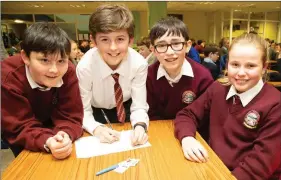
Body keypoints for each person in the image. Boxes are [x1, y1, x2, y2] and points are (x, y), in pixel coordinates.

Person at [174, 33, 281, 180]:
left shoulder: (276, 104)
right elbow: (187, 114)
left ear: (264, 68)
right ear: (227, 64)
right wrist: (187, 138)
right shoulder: (218, 89)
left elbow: (260, 165)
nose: (241, 73)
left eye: (250, 66)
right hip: (213, 167)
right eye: (235, 64)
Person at [1, 23, 84, 159]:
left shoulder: (68, 71)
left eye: (61, 61)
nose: (54, 70)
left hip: (56, 128)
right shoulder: (7, 77)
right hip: (23, 134)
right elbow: (18, 126)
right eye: (44, 60)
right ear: (25, 57)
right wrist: (47, 140)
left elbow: (71, 115)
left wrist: (64, 135)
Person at [76, 4, 149, 146]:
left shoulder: (139, 64)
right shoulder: (85, 67)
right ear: (93, 41)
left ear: (131, 40)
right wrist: (96, 128)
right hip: (95, 112)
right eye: (105, 40)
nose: (113, 47)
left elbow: (139, 105)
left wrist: (140, 126)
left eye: (120, 39)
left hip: (126, 108)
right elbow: (83, 109)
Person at [147, 17, 213, 121]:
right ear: (153, 50)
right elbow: (149, 113)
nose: (169, 52)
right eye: (161, 45)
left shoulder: (203, 77)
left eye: (176, 44)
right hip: (158, 131)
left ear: (187, 46)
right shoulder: (148, 75)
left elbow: (204, 116)